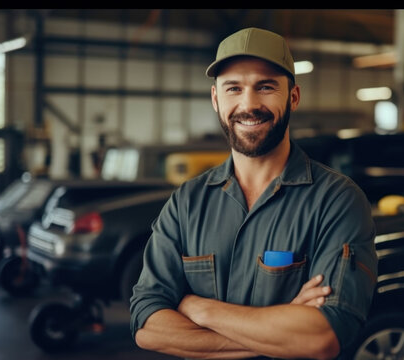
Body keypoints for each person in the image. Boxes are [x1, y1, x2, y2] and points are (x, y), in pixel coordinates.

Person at [129, 27, 378, 360]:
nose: (249, 104)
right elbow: (146, 324)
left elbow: (322, 336)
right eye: (234, 88)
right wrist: (281, 328)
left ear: (293, 97)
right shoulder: (187, 202)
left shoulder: (337, 201)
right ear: (216, 99)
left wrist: (199, 308)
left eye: (266, 86)